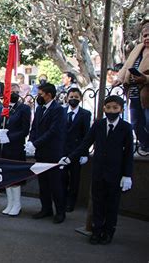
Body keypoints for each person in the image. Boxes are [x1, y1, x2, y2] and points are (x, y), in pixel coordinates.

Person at [59, 96, 133, 245]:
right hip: (98, 171)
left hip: (115, 173)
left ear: (121, 110)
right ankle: (97, 230)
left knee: (112, 204)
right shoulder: (98, 125)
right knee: (98, 203)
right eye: (109, 107)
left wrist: (127, 175)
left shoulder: (126, 127)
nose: (112, 111)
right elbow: (85, 143)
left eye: (115, 108)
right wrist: (70, 158)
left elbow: (128, 153)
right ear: (104, 109)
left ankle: (108, 231)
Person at [26, 83, 67, 223]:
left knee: (55, 184)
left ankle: (60, 212)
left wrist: (36, 143)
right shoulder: (39, 110)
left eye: (41, 94)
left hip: (53, 153)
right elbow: (34, 128)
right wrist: (31, 141)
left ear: (49, 95)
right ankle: (46, 209)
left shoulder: (58, 110)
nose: (39, 97)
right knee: (43, 184)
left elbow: (53, 131)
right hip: (41, 153)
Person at [112, 22, 149, 153]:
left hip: (147, 93)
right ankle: (145, 145)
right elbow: (127, 65)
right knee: (135, 122)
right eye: (145, 35)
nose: (147, 38)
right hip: (133, 92)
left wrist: (146, 78)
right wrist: (120, 79)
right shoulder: (137, 48)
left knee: (148, 121)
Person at [0, 86, 31, 216]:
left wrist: (9, 137)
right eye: (11, 92)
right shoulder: (2, 108)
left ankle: (17, 204)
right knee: (7, 176)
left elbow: (25, 130)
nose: (14, 94)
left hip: (16, 147)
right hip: (3, 147)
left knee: (15, 177)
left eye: (16, 92)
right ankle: (10, 203)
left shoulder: (24, 108)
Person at [62, 88, 91, 212]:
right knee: (62, 178)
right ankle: (62, 199)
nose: (73, 99)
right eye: (71, 97)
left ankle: (71, 202)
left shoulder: (85, 114)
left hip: (76, 151)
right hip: (62, 151)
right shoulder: (61, 112)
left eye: (76, 97)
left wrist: (84, 153)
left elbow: (86, 135)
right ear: (67, 98)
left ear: (80, 98)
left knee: (75, 179)